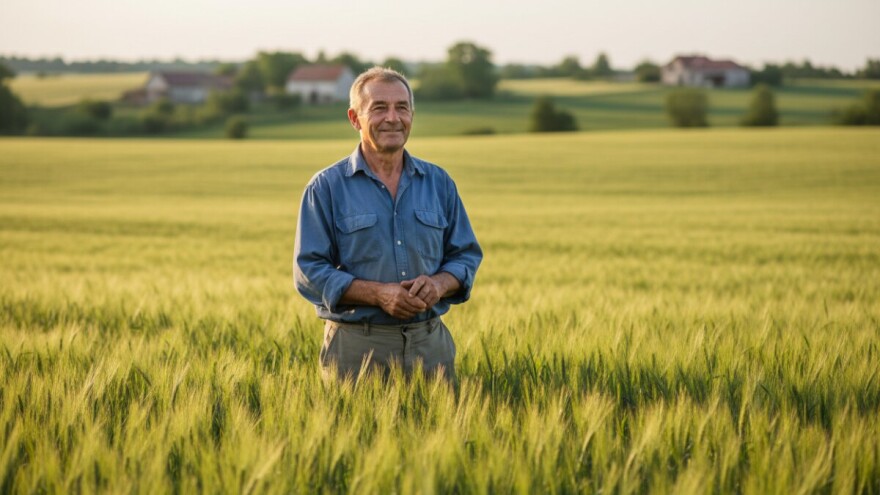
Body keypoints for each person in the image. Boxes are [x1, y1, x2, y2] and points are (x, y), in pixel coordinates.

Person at [293, 67, 482, 383]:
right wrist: (377, 294)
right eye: (379, 108)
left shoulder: (439, 183)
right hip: (356, 351)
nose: (393, 118)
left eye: (402, 107)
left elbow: (465, 257)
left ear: (412, 114)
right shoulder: (326, 187)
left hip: (431, 347)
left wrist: (438, 284)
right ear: (355, 118)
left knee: (438, 431)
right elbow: (309, 272)